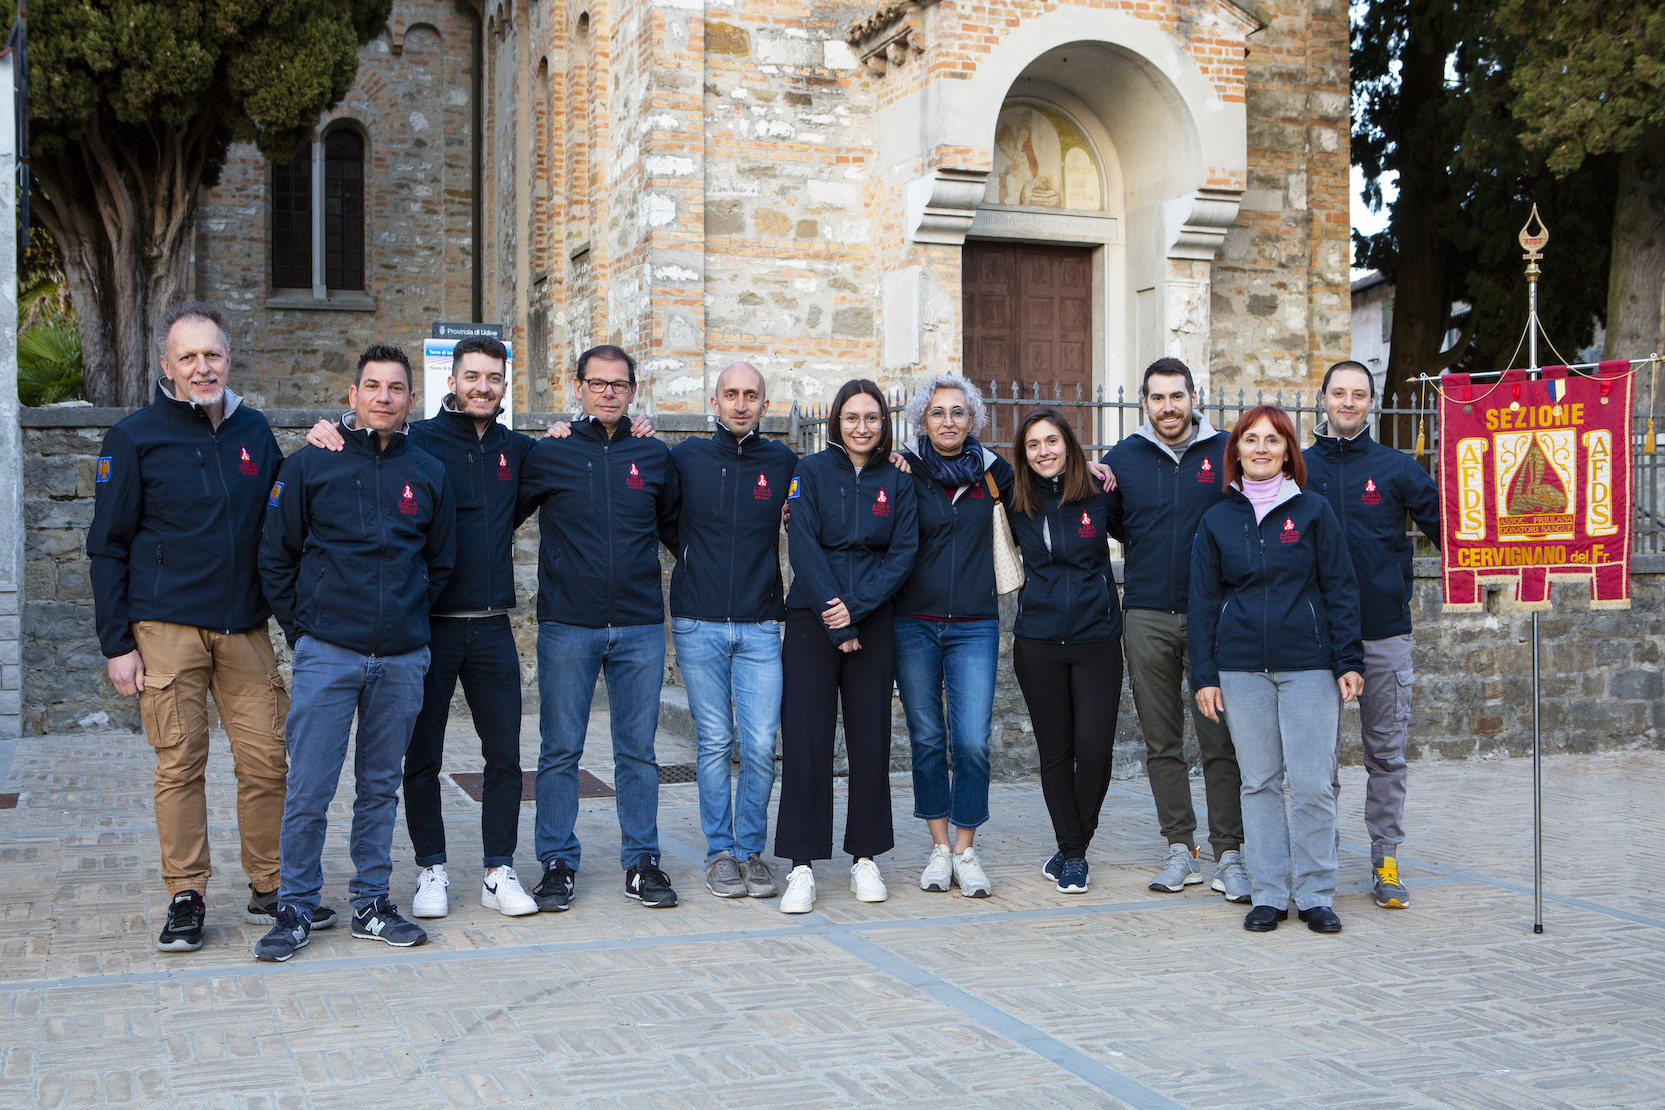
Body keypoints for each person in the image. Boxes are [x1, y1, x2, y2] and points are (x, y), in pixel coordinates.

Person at [86, 301, 327, 952]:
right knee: (180, 764)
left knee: (266, 762)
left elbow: (285, 515)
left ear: (229, 357)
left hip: (244, 628)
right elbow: (107, 545)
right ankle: (186, 894)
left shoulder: (253, 431)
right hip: (164, 628)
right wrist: (117, 645)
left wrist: (326, 445)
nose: (202, 367)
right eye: (187, 357)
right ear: (167, 365)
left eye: (212, 354)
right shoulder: (134, 437)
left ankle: (271, 886)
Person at [306, 336, 541, 919]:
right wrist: (329, 426)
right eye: (472, 376)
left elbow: (578, 462)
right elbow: (366, 439)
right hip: (429, 627)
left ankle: (498, 869)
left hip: (491, 628)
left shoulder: (523, 451)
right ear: (451, 383)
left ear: (505, 384)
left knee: (505, 756)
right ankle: (431, 867)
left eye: (493, 377)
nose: (483, 386)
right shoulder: (420, 442)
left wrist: (607, 424)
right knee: (423, 758)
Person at [254, 344, 456, 961]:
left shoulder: (428, 472)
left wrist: (407, 620)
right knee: (309, 786)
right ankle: (294, 906)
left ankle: (371, 901)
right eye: (373, 386)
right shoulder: (311, 466)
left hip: (400, 658)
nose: (384, 397)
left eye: (396, 388)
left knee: (377, 787)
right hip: (328, 654)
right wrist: (306, 633)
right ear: (353, 395)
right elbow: (276, 556)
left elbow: (440, 563)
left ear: (411, 400)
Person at [517, 345, 682, 912]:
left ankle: (642, 861)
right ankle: (557, 862)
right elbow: (495, 511)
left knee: (637, 752)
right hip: (567, 625)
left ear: (633, 391)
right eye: (598, 383)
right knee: (560, 751)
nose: (608, 391)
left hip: (638, 626)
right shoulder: (550, 454)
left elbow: (682, 534)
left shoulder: (655, 455)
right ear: (579, 388)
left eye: (619, 384)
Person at [1189, 404, 1362, 935]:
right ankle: (1268, 891)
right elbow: (1202, 602)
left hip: (1308, 667)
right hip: (1241, 669)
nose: (1261, 448)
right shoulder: (1217, 518)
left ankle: (1314, 893)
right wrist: (1205, 676)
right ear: (1235, 450)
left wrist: (1349, 659)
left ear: (1289, 449)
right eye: (1251, 440)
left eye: (1272, 440)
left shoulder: (1312, 512)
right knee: (1259, 782)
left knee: (1312, 783)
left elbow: (1340, 586)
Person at [1102, 358, 1248, 901]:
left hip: (1215, 617)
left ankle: (1229, 852)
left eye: (1177, 396)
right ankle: (1179, 850)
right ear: (1145, 402)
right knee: (1162, 740)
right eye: (1158, 398)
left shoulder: (1228, 450)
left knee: (1220, 738)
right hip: (1145, 613)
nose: (1168, 407)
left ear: (1194, 397)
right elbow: (1113, 520)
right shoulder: (1124, 459)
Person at [775, 379, 918, 913]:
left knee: (870, 739)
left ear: (884, 423)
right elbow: (802, 543)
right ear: (836, 421)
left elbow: (903, 552)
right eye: (852, 417)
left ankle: (865, 857)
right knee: (807, 741)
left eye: (873, 418)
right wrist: (836, 616)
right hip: (813, 617)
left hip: (874, 618)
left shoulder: (898, 481)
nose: (862, 427)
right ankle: (802, 866)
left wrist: (857, 609)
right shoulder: (808, 473)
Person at [1304, 360, 1440, 909]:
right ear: (1324, 399)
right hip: (1314, 641)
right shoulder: (1299, 469)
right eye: (1339, 392)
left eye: (1358, 394)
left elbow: (1453, 527)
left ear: (1371, 403)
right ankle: (1323, 859)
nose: (1348, 402)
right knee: (1319, 759)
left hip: (1383, 634)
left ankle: (1385, 858)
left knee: (1385, 753)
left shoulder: (1396, 469)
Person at [667, 362, 799, 899]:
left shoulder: (786, 461)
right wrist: (696, 560)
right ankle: (720, 852)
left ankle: (752, 851)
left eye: (751, 395)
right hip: (697, 621)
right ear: (715, 402)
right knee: (716, 741)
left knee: (763, 742)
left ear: (765, 405)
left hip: (761, 623)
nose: (741, 404)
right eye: (731, 394)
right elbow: (662, 518)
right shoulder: (685, 459)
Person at [892, 374, 1013, 898]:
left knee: (971, 741)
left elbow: (1052, 484)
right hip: (913, 623)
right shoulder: (902, 471)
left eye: (958, 412)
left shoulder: (994, 474)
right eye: (938, 412)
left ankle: (966, 849)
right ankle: (940, 848)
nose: (948, 421)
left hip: (975, 625)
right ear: (923, 419)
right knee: (926, 739)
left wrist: (1099, 470)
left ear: (973, 420)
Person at [1005, 409, 1124, 896]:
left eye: (1052, 441)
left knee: (1095, 750)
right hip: (1038, 641)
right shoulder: (1016, 500)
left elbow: (1144, 527)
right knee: (1056, 752)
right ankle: (1074, 853)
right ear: (1024, 455)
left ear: (1070, 445)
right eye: (1033, 445)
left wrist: (1100, 466)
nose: (1043, 452)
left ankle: (1076, 841)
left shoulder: (1101, 493)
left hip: (1097, 638)